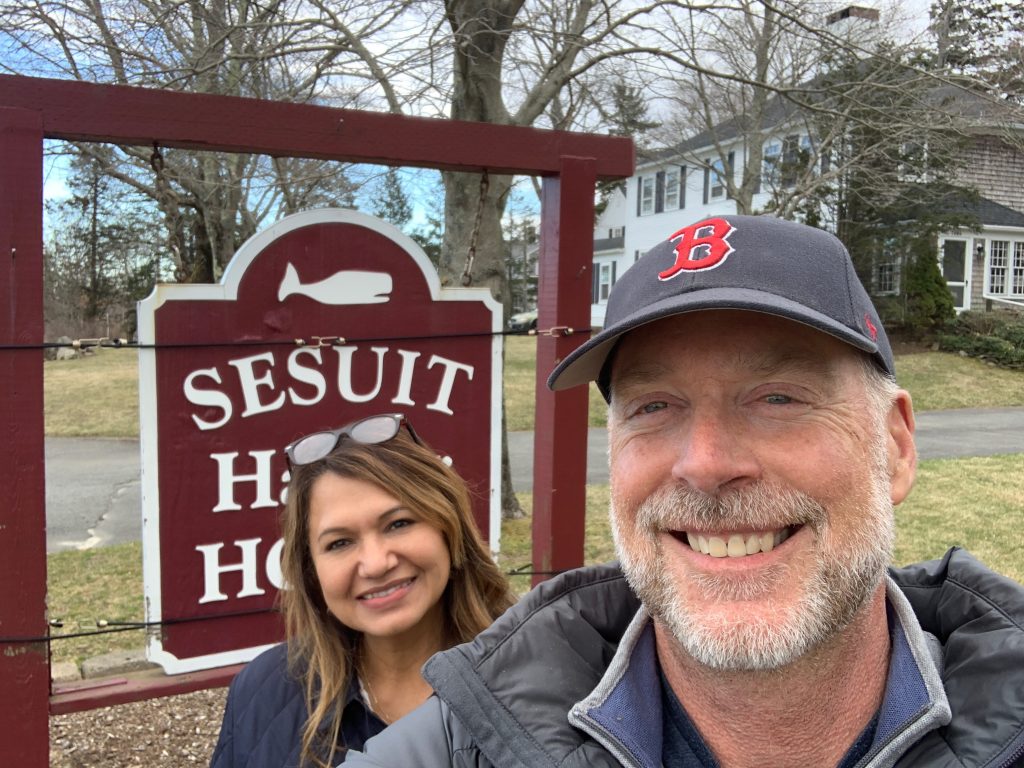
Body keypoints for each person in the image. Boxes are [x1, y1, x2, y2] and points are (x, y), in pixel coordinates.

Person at [345, 216, 1024, 768]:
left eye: (779, 396)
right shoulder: (464, 744)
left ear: (896, 446)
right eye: (653, 407)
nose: (704, 464)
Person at [209, 413, 515, 768]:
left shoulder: (543, 675)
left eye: (398, 523)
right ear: (311, 569)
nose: (376, 564)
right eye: (339, 543)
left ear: (448, 528)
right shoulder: (261, 693)